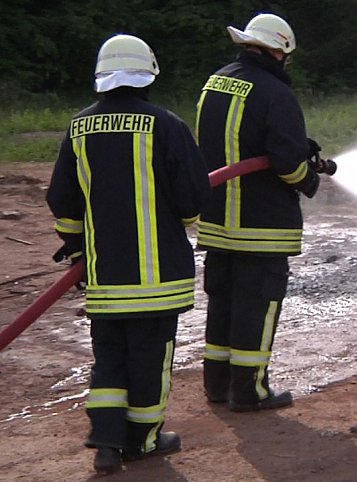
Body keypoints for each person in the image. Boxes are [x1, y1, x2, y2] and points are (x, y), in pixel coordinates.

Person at [46, 34, 212, 475]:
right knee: (149, 359)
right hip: (158, 279)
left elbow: (63, 200)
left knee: (109, 357)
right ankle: (144, 439)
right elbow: (193, 200)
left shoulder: (78, 127)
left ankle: (105, 441)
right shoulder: (168, 126)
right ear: (147, 74)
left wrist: (77, 242)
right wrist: (185, 219)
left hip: (104, 278)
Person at [195, 12, 326, 412]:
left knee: (224, 303)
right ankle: (250, 391)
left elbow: (240, 140)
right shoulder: (275, 92)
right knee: (257, 305)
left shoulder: (215, 82)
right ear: (277, 51)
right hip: (261, 225)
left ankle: (217, 385)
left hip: (218, 223)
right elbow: (287, 163)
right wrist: (309, 180)